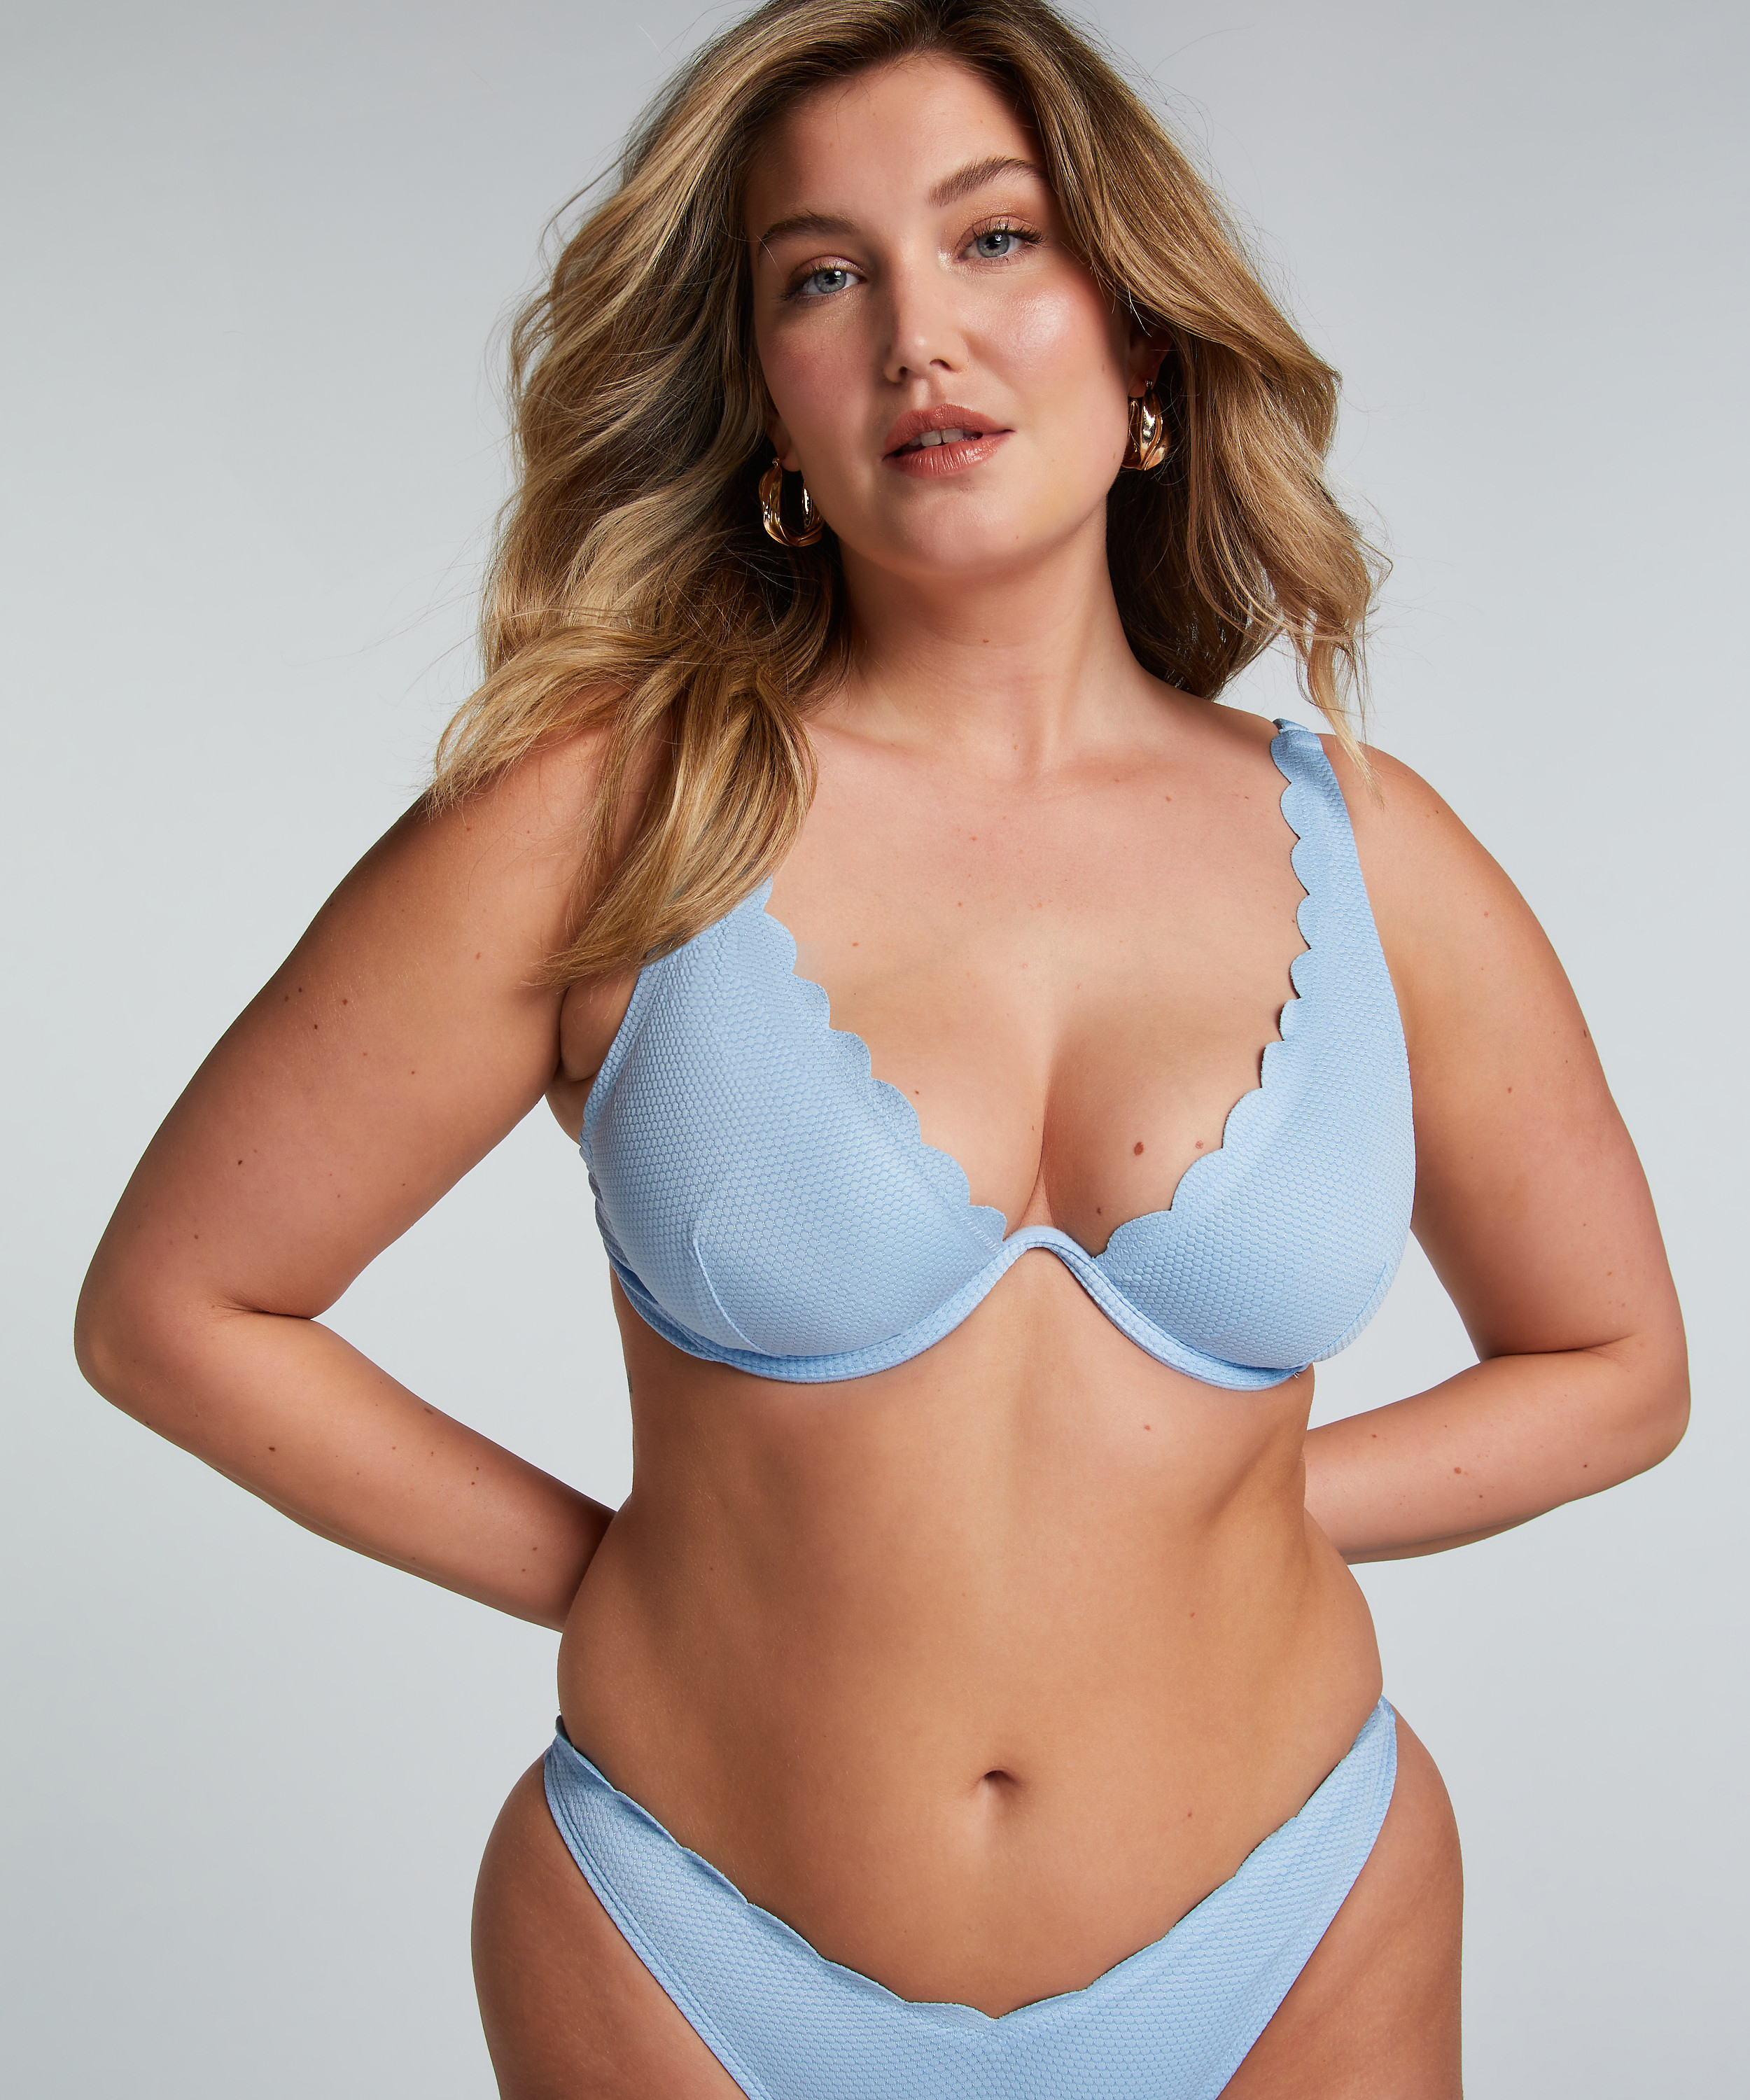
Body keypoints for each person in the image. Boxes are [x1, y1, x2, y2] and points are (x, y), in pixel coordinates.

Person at [74, 1, 1688, 2092]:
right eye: (822, 277)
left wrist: (1231, 1511)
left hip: (1296, 1924)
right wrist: (615, 1571)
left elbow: (1616, 1363)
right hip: (684, 1940)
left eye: (995, 239)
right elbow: (178, 1307)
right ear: (770, 401)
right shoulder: (611, 817)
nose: (919, 333)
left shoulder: (1376, 855)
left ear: (1141, 341)